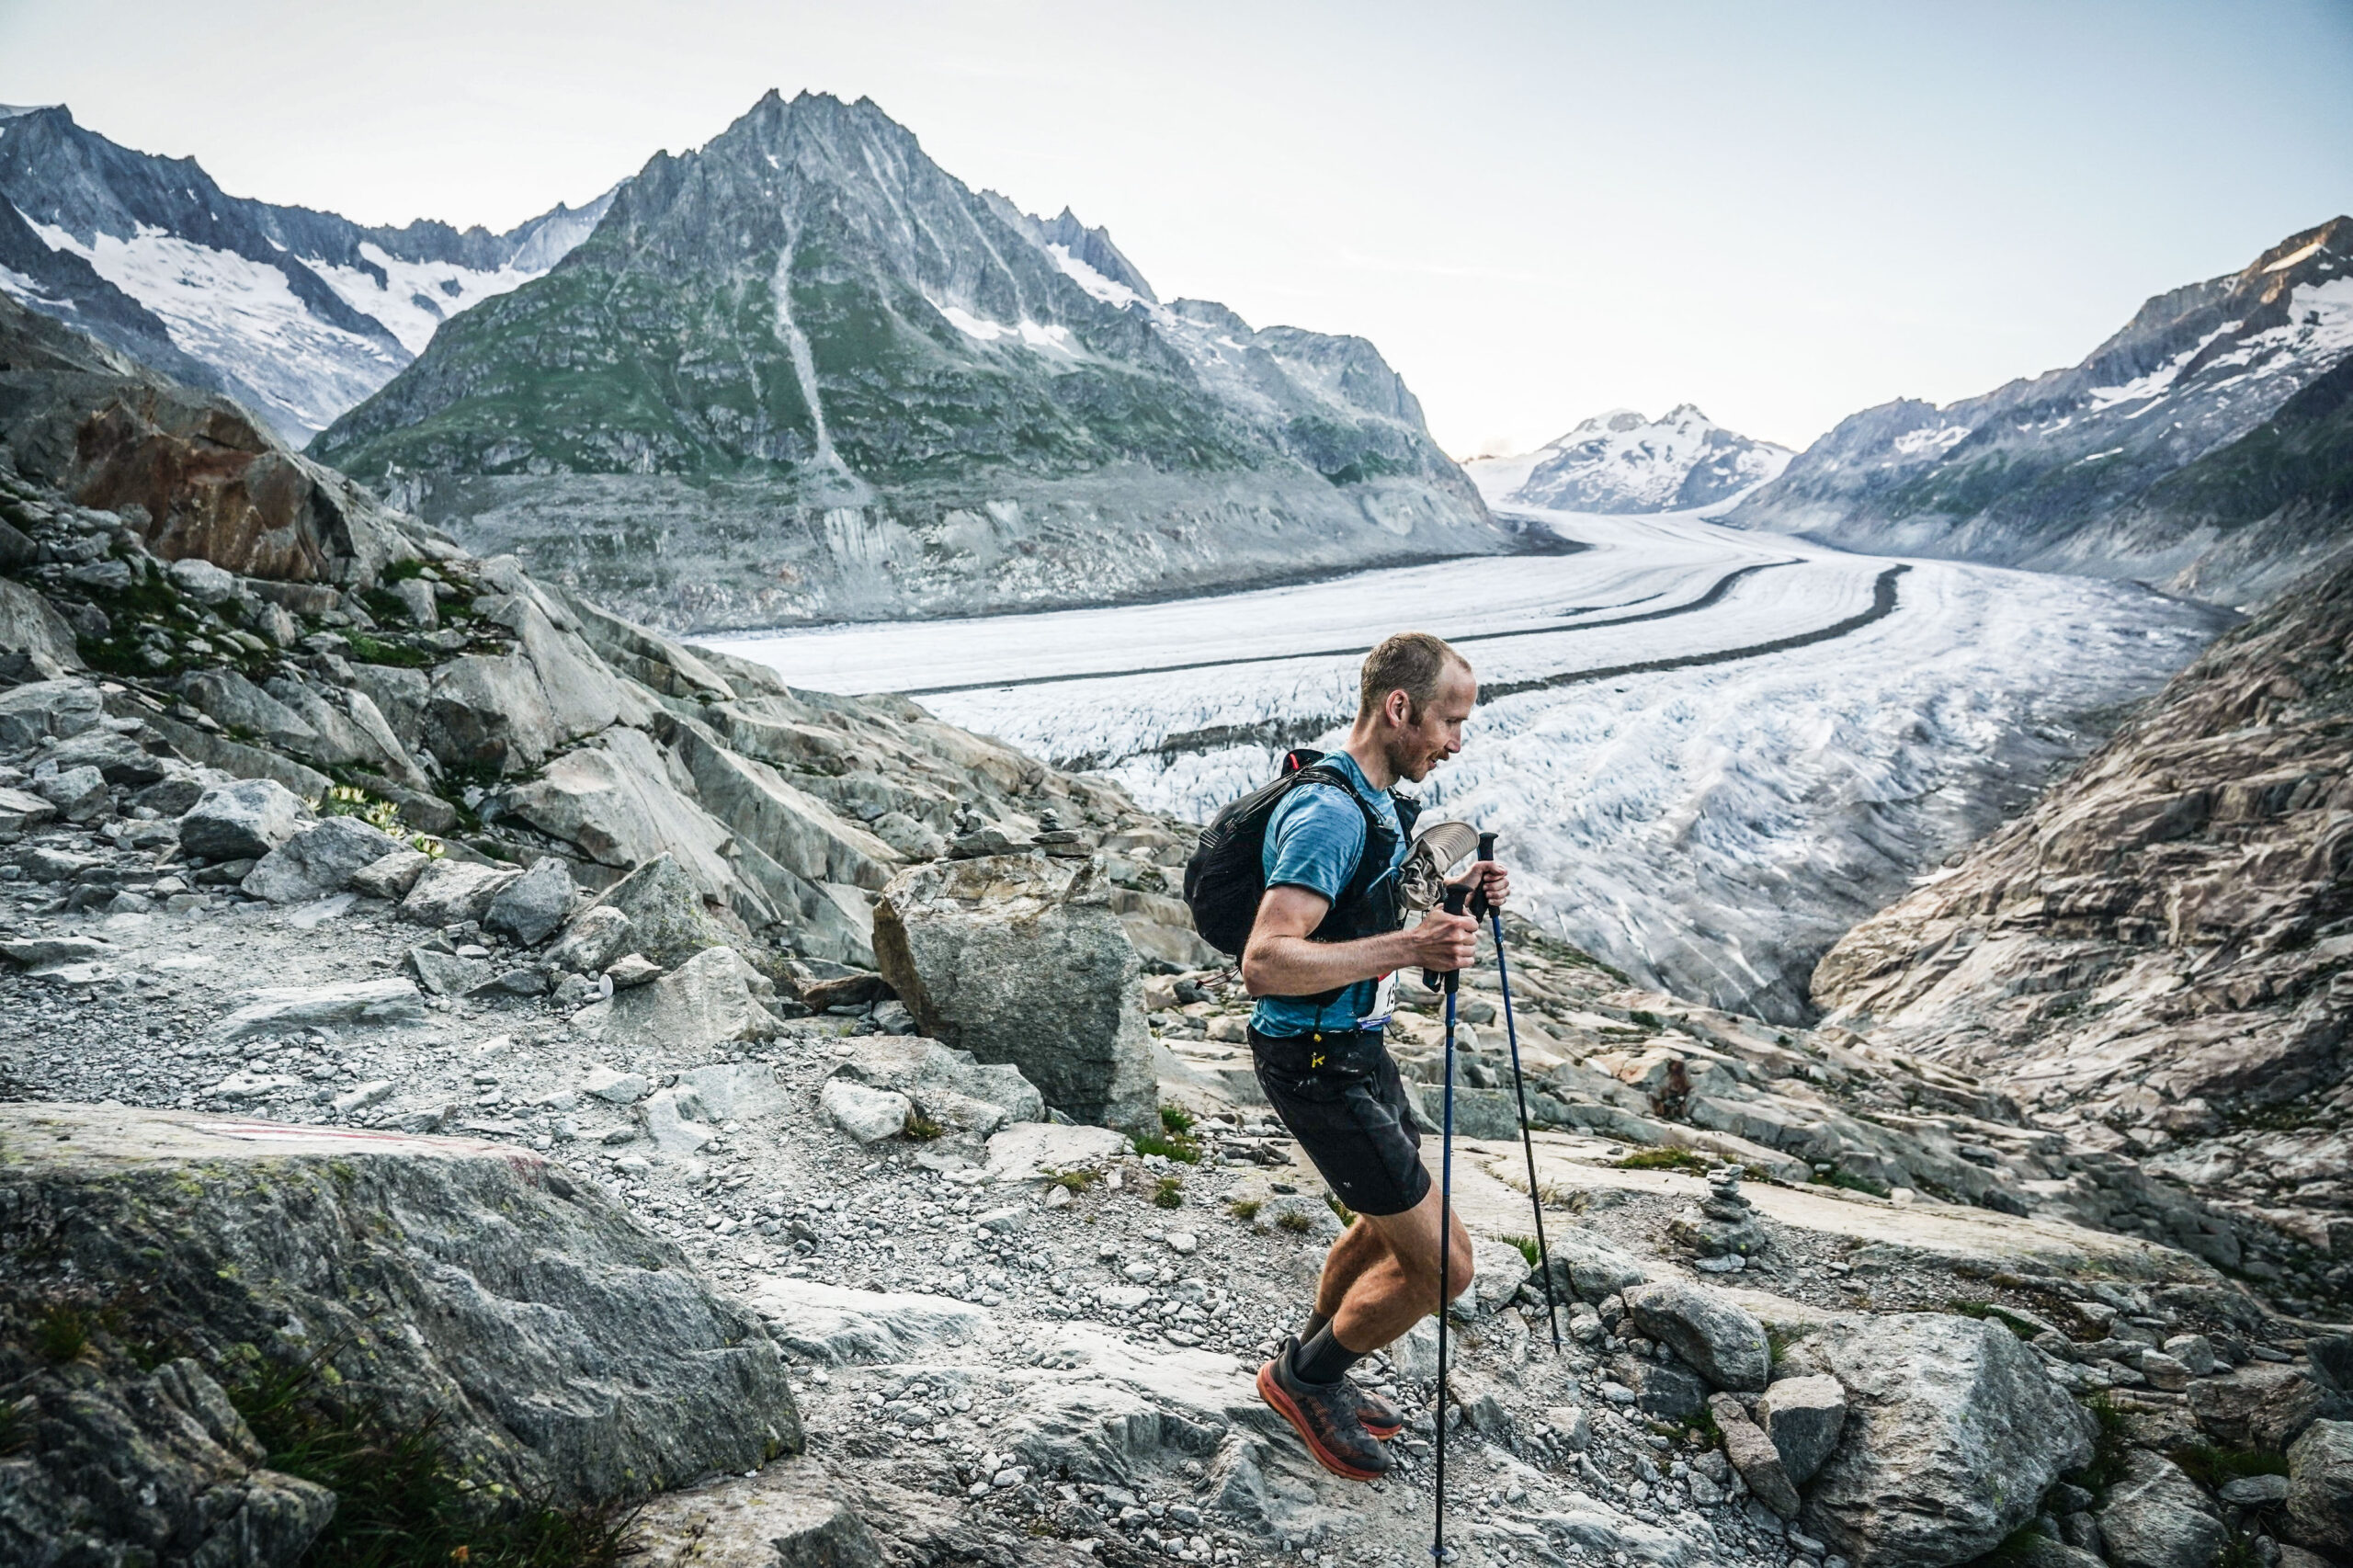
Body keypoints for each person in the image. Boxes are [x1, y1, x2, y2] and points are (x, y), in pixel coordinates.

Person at [1240, 631, 1506, 1481]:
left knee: (1382, 1222)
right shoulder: (1326, 811)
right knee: (1444, 1269)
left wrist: (1460, 897)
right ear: (1400, 709)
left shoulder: (1375, 794)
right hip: (1316, 1062)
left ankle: (1318, 1369)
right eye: (1449, 721)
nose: (1456, 741)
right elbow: (1267, 960)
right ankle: (1304, 1380)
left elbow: (1365, 909)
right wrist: (1410, 950)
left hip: (1356, 1047)